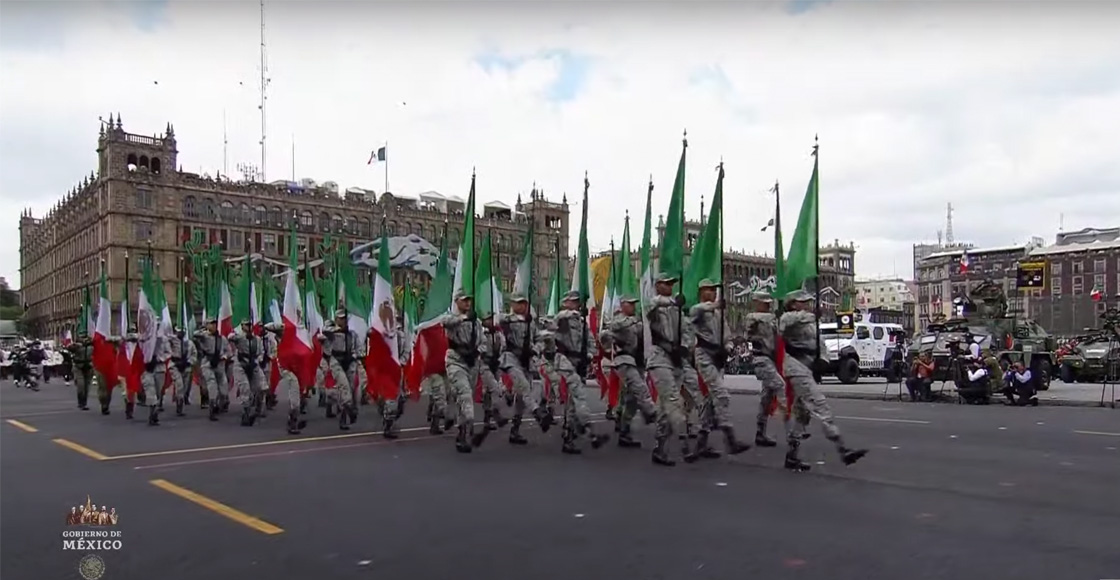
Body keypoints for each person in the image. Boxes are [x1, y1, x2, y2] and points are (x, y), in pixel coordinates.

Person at [780, 289, 868, 472]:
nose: (807, 305)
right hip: (795, 367)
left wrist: (824, 361)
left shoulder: (811, 322)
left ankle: (792, 455)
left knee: (803, 414)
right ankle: (843, 448)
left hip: (808, 367)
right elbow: (786, 324)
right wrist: (810, 315)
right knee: (820, 405)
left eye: (808, 302)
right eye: (802, 302)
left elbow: (820, 344)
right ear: (793, 304)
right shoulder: (788, 318)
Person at [685, 279, 751, 462]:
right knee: (721, 396)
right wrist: (713, 305)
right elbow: (695, 312)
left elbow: (727, 336)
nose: (712, 293)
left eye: (713, 290)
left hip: (717, 358)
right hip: (704, 355)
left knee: (710, 403)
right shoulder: (698, 310)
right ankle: (731, 440)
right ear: (701, 292)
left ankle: (700, 445)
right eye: (708, 290)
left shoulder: (719, 315)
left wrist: (728, 347)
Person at [553, 290, 611, 454]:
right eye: (572, 302)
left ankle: (569, 435)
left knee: (573, 402)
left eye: (577, 302)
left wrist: (589, 355)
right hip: (565, 361)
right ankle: (590, 433)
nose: (576, 305)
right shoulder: (563, 317)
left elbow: (591, 341)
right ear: (565, 303)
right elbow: (553, 333)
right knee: (579, 395)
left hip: (579, 363)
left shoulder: (581, 322)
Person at [599, 295, 658, 449]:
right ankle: (652, 413)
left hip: (637, 361)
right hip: (624, 360)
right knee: (640, 388)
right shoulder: (619, 320)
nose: (633, 307)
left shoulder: (637, 323)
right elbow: (607, 330)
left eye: (634, 304)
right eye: (630, 304)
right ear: (623, 305)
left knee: (631, 400)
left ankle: (624, 431)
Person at [498, 294, 553, 445]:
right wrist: (522, 319)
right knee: (524, 386)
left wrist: (535, 349)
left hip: (526, 360)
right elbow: (500, 320)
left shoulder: (531, 323)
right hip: (511, 358)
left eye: (524, 303)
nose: (521, 306)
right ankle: (538, 413)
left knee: (522, 398)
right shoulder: (508, 320)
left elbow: (540, 340)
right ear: (512, 304)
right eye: (518, 303)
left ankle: (515, 430)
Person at [646, 273, 689, 466]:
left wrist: (686, 346)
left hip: (675, 360)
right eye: (666, 284)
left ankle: (660, 448)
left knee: (664, 408)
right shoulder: (655, 303)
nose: (669, 287)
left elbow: (687, 330)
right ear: (657, 285)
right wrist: (673, 303)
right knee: (673, 400)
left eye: (671, 284)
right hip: (659, 358)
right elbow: (652, 306)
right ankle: (685, 443)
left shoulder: (676, 308)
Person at [744, 292, 786, 446]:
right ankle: (789, 421)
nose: (767, 306)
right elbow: (751, 326)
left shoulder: (772, 320)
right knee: (780, 386)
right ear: (757, 302)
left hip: (771, 359)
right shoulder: (753, 317)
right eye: (764, 303)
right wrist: (777, 316)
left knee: (766, 398)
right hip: (761, 359)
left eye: (769, 303)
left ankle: (760, 433)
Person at [442, 289, 482, 452]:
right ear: (456, 301)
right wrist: (464, 318)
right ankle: (469, 429)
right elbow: (445, 322)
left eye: (469, 300)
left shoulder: (476, 322)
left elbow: (482, 340)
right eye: (464, 300)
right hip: (456, 362)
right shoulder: (452, 317)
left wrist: (478, 351)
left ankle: (461, 432)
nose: (467, 303)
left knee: (463, 399)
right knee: (465, 396)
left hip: (472, 364)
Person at [68, 331, 95, 411]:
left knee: (87, 387)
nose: (85, 339)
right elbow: (69, 348)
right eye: (83, 337)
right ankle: (80, 402)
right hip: (78, 367)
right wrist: (75, 345)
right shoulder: (77, 346)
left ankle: (84, 403)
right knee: (81, 385)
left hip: (89, 366)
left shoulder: (93, 345)